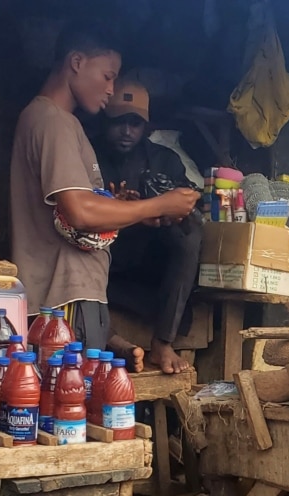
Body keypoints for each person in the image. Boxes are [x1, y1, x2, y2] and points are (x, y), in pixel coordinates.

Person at [10, 23, 199, 363]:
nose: (111, 89)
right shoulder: (54, 123)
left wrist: (121, 209)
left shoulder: (51, 120)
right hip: (63, 300)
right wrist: (157, 204)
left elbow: (74, 208)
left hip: (66, 298)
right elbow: (79, 213)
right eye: (108, 75)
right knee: (68, 410)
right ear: (78, 62)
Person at [93, 81, 200, 374]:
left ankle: (163, 343)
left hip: (146, 273)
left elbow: (189, 203)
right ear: (105, 121)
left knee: (190, 236)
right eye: (119, 122)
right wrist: (117, 209)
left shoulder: (165, 160)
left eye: (135, 123)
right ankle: (115, 343)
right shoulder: (87, 155)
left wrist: (169, 214)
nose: (127, 131)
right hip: (101, 269)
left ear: (146, 127)